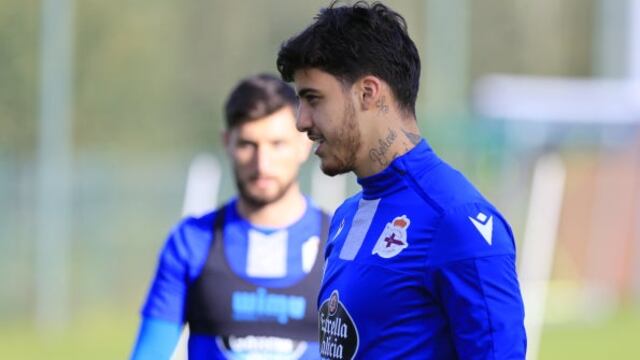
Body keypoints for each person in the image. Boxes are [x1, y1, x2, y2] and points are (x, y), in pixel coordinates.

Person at [277, 1, 527, 359]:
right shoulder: (347, 216)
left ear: (368, 92)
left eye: (313, 99)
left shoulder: (456, 220)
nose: (301, 121)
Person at [131, 74, 329, 359]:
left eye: (277, 144)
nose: (262, 164)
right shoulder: (192, 242)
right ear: (227, 143)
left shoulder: (339, 243)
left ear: (303, 143)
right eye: (248, 144)